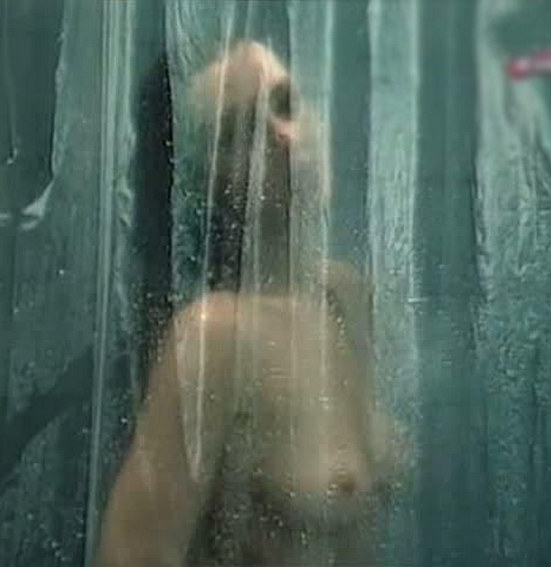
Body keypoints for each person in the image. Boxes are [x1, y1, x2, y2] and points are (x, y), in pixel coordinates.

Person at [96, 40, 404, 567]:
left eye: (287, 104)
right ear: (204, 182)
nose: (282, 138)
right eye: (242, 134)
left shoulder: (346, 298)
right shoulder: (213, 337)